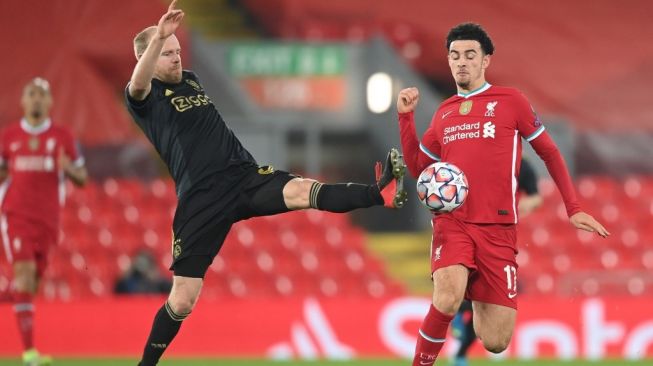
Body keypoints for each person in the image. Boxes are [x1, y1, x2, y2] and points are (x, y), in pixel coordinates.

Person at [125, 2, 407, 364]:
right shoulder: (144, 99)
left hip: (243, 175)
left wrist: (165, 42)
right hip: (202, 198)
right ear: (146, 57)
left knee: (302, 190)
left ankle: (375, 193)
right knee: (182, 300)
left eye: (177, 50)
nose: (176, 58)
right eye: (166, 53)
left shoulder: (191, 79)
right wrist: (157, 38)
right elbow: (137, 83)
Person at [395, 22, 609, 366]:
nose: (461, 62)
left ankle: (473, 295)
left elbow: (550, 152)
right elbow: (421, 169)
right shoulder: (444, 112)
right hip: (454, 222)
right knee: (447, 298)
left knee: (496, 341)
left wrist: (573, 208)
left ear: (485, 61)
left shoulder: (512, 101)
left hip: (498, 230)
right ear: (448, 62)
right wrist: (405, 118)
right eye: (454, 56)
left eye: (469, 55)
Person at [0, 77, 87, 366]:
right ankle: (29, 354)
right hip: (16, 216)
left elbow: (82, 178)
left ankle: (23, 326)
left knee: (32, 282)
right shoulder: (8, 136)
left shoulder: (63, 136)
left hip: (48, 220)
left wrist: (67, 169)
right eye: (31, 94)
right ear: (23, 101)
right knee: (23, 276)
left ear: (50, 102)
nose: (36, 99)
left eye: (41, 95)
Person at [450, 158, 542, 366]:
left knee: (485, 303)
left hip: (500, 236)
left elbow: (536, 197)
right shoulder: (478, 155)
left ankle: (460, 348)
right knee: (467, 282)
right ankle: (457, 315)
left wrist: (528, 203)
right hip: (469, 229)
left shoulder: (521, 165)